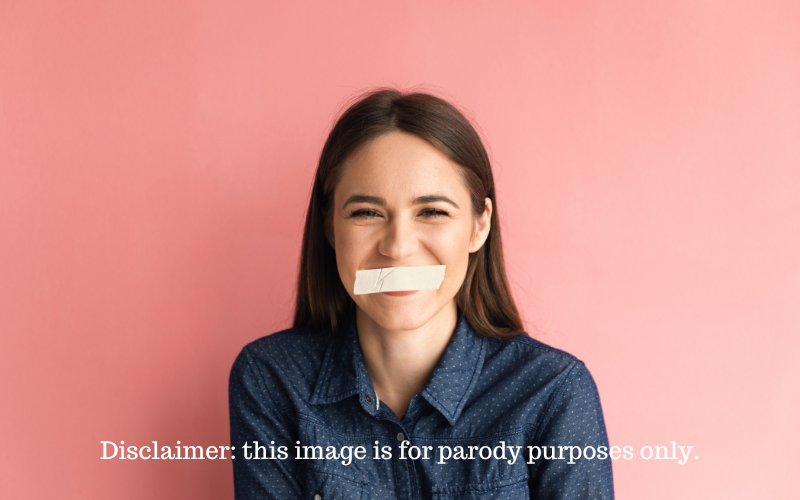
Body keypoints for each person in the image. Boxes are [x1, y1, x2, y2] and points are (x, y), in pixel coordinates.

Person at [229, 89, 614, 499]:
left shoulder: (553, 391)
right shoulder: (270, 379)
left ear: (479, 226)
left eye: (432, 212)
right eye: (366, 213)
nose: (397, 247)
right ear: (329, 228)